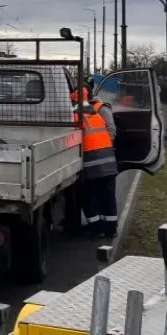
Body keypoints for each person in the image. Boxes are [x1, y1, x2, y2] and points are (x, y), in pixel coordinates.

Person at [72, 86, 119, 238]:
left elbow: (111, 130)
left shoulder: (80, 114)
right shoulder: (93, 113)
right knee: (107, 196)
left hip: (91, 163)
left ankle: (98, 228)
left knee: (88, 197)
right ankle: (110, 229)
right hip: (107, 160)